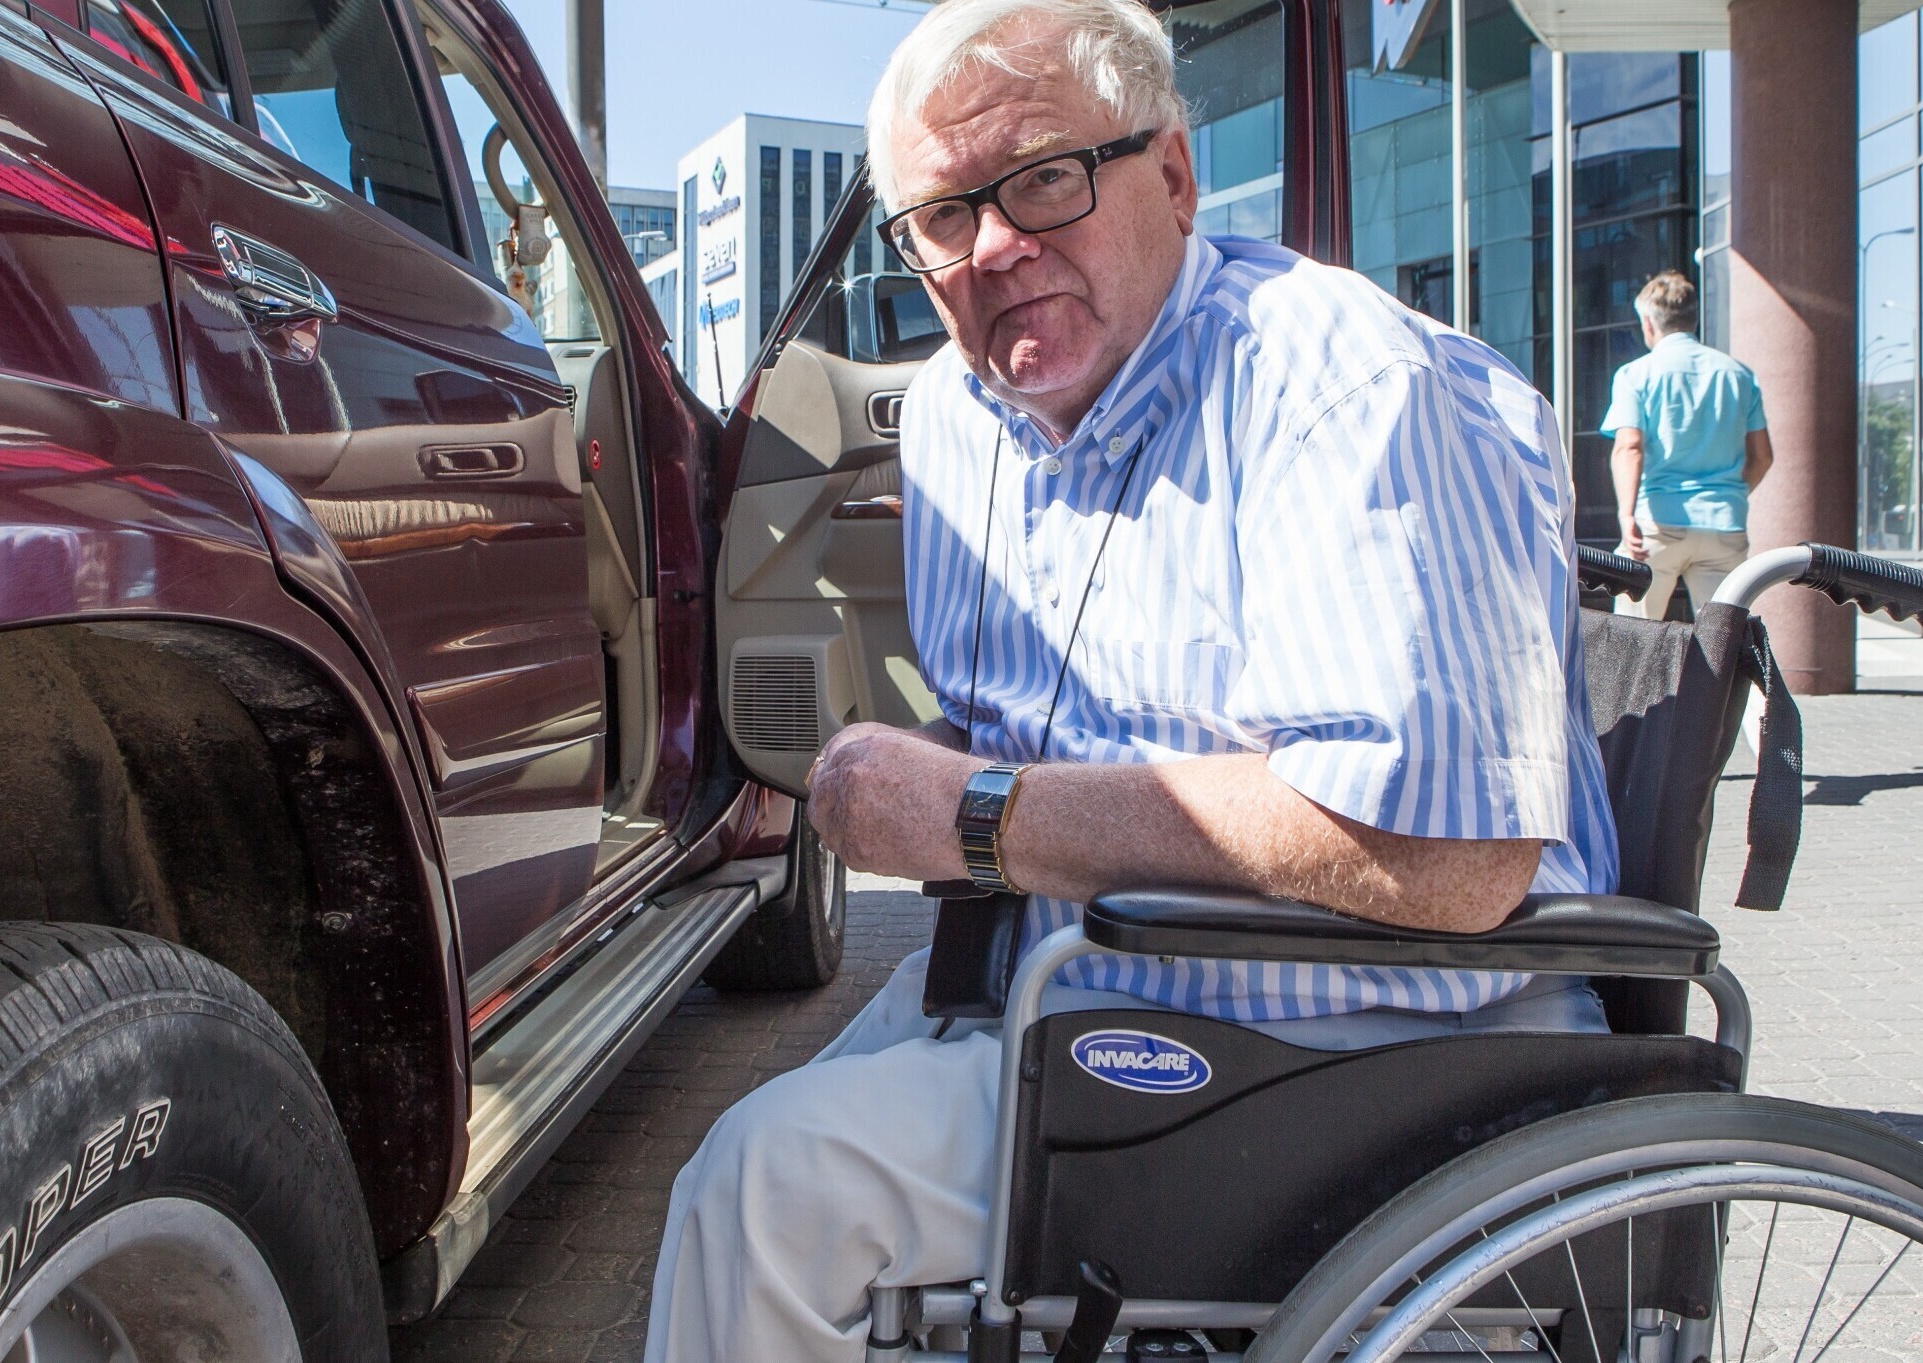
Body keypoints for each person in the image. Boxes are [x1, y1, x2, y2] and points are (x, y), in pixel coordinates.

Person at [644, 3, 1619, 1357]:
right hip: (1078, 991)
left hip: (1364, 1052)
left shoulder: (1339, 384)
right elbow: (1016, 729)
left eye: (1046, 177)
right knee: (753, 1151)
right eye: (943, 217)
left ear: (1171, 173)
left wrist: (980, 813)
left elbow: (1445, 857)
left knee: (767, 1196)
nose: (995, 246)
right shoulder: (957, 420)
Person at [1602, 270, 1775, 620]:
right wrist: (1729, 495)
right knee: (1723, 638)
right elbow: (1763, 457)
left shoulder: (1635, 374)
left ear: (1648, 322)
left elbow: (1630, 447)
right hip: (1724, 524)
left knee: (1636, 637)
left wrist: (1626, 514)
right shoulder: (1739, 375)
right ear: (1692, 318)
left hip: (1658, 522)